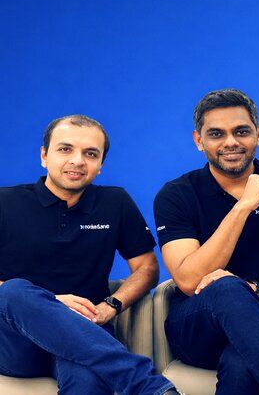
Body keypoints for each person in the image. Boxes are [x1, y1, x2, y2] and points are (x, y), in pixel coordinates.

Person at [153, 88, 259, 395]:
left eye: (241, 132)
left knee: (242, 365)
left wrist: (251, 287)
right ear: (199, 140)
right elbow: (189, 281)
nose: (230, 142)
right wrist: (244, 206)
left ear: (258, 134)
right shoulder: (176, 195)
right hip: (198, 324)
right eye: (216, 134)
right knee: (225, 287)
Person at [0, 115, 177, 395]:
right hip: (16, 342)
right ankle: (150, 387)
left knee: (88, 381)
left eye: (90, 154)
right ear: (44, 156)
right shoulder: (5, 202)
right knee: (13, 290)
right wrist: (53, 304)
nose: (78, 161)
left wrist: (111, 305)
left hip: (88, 329)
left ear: (100, 165)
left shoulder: (115, 202)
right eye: (65, 149)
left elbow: (147, 268)